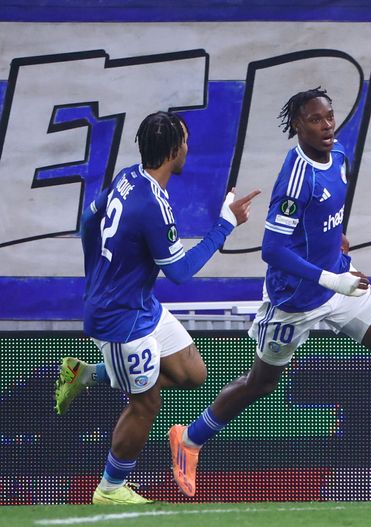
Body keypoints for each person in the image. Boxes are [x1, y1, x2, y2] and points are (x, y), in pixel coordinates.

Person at [168, 88, 371, 497]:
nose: (327, 125)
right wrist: (332, 278)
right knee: (261, 383)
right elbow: (273, 250)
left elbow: (327, 217)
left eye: (329, 116)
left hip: (338, 281)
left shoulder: (341, 157)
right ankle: (189, 440)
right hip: (294, 300)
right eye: (316, 119)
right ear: (297, 126)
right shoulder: (295, 179)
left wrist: (337, 246)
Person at [53, 111, 260, 505]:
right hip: (120, 320)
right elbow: (180, 272)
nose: (188, 147)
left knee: (193, 373)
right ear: (172, 151)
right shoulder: (151, 203)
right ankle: (110, 489)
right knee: (146, 402)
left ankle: (86, 374)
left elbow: (88, 219)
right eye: (184, 141)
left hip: (140, 303)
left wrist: (95, 272)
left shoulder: (129, 176)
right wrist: (225, 225)